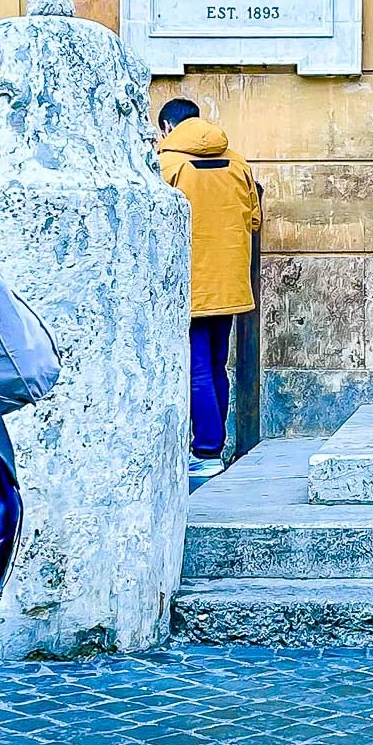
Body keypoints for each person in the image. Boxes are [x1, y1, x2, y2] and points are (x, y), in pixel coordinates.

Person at [157, 96, 261, 485]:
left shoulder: (167, 164)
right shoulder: (238, 163)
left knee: (195, 367)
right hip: (229, 283)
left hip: (188, 285)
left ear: (167, 128)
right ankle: (214, 446)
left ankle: (205, 450)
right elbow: (253, 218)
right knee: (216, 364)